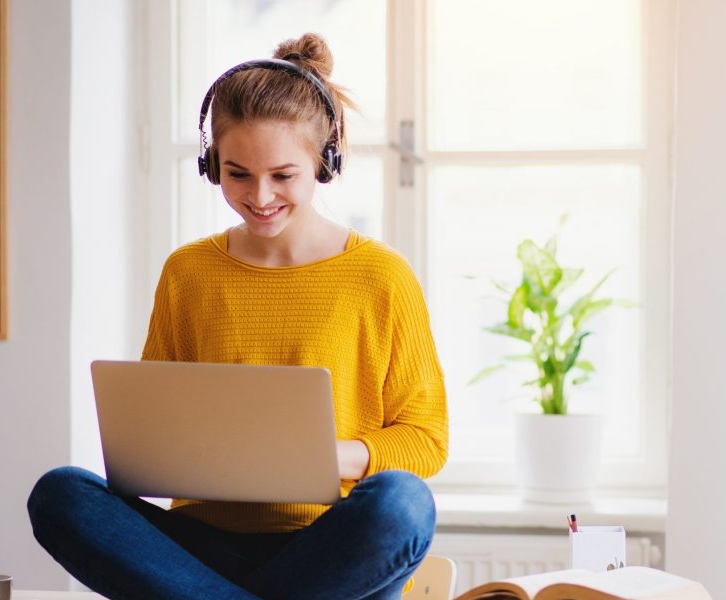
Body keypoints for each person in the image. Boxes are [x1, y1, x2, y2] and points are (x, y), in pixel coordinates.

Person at [26, 33, 449, 600]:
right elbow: (153, 430)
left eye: (283, 174)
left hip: (330, 547)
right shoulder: (189, 272)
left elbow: (425, 439)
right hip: (198, 548)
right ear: (211, 165)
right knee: (60, 495)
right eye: (238, 173)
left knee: (403, 502)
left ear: (323, 162)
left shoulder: (381, 276)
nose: (260, 195)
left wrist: (319, 456)